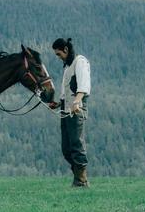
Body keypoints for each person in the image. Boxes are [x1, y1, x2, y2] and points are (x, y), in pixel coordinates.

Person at [51, 37, 91, 187]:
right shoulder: (67, 67)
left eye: (58, 54)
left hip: (77, 107)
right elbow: (65, 91)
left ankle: (81, 180)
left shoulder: (80, 62)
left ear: (66, 50)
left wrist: (77, 101)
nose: (58, 57)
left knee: (76, 143)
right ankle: (78, 177)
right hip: (65, 108)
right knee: (66, 147)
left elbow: (84, 84)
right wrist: (58, 103)